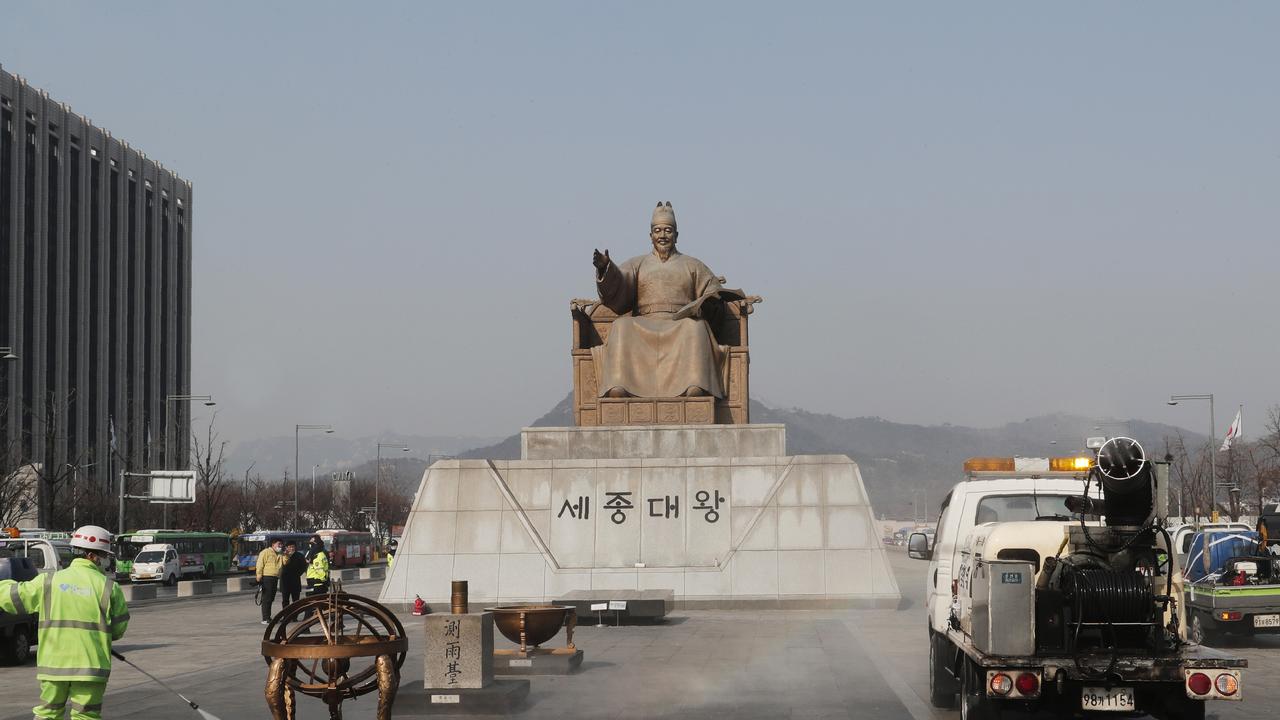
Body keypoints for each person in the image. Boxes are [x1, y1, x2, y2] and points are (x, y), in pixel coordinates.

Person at [591, 202, 735, 399]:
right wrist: (605, 269)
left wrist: (709, 300)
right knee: (622, 325)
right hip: (644, 321)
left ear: (676, 235)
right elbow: (620, 286)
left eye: (668, 230)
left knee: (696, 328)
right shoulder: (637, 263)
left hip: (680, 322)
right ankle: (619, 384)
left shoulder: (693, 265)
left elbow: (712, 289)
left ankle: (694, 384)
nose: (663, 235)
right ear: (650, 236)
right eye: (657, 231)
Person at [0, 525, 128, 720]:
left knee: (48, 714)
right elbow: (118, 630)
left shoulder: (48, 581)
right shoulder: (110, 588)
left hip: (54, 667)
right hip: (90, 669)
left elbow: (11, 597)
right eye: (104, 555)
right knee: (86, 716)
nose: (106, 560)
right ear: (94, 556)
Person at [255, 537, 285, 624]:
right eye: (278, 544)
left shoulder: (280, 553)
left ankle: (268, 617)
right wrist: (259, 575)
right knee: (266, 598)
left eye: (281, 544)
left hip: (275, 577)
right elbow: (260, 564)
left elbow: (286, 562)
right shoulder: (265, 552)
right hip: (267, 577)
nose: (280, 546)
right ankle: (265, 618)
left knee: (271, 598)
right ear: (273, 544)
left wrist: (285, 554)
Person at [279, 540, 308, 611]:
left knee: (296, 600)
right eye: (289, 547)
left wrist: (298, 573)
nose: (291, 548)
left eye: (293, 547)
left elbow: (304, 566)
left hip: (295, 580)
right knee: (285, 600)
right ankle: (286, 616)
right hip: (284, 581)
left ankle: (295, 616)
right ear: (286, 548)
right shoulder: (282, 555)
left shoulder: (299, 556)